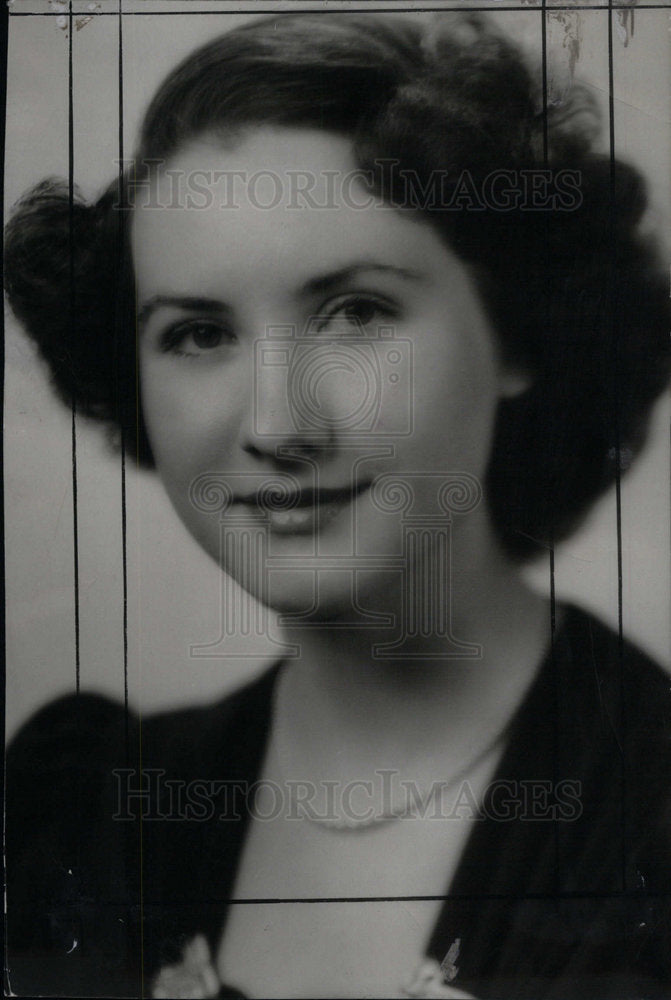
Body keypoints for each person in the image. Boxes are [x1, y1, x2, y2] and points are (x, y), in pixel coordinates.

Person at [4, 10, 671, 999]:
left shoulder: (648, 811)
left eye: (356, 312)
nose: (277, 423)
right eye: (196, 333)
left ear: (520, 334)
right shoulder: (92, 811)